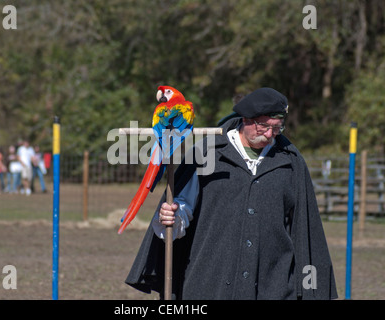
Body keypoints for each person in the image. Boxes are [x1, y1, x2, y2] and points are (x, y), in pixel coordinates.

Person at [125, 87, 338, 300]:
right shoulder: (207, 154)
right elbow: (182, 207)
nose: (269, 134)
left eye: (277, 128)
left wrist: (312, 288)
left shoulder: (290, 162)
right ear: (246, 119)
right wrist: (172, 216)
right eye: (263, 126)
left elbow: (305, 229)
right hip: (210, 285)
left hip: (273, 287)